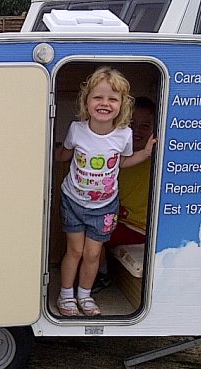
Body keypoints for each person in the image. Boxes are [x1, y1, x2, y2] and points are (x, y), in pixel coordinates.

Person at [55, 67, 156, 316]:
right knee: (75, 251)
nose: (104, 103)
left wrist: (144, 154)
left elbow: (121, 162)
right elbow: (66, 153)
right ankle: (66, 295)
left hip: (105, 206)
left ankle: (85, 296)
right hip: (74, 201)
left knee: (93, 253)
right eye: (98, 97)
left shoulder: (124, 134)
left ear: (122, 105)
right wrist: (54, 154)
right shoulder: (77, 129)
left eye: (112, 98)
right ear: (86, 101)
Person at [92, 96, 156, 292]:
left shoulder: (157, 159)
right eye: (132, 123)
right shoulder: (115, 156)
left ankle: (102, 275)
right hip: (119, 220)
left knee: (93, 236)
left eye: (145, 126)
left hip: (139, 228)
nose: (137, 130)